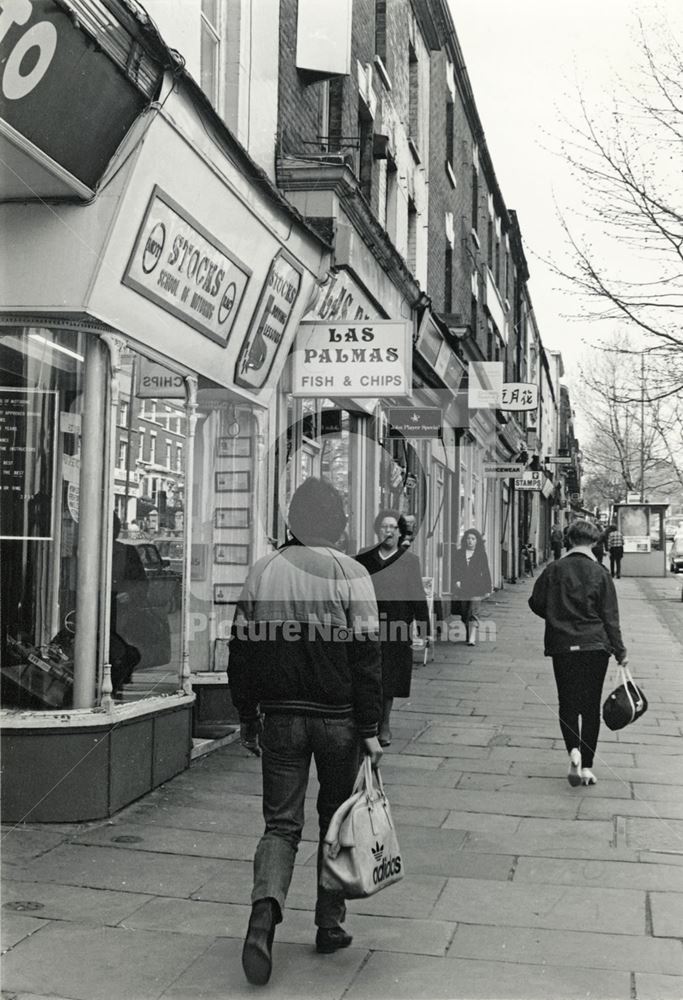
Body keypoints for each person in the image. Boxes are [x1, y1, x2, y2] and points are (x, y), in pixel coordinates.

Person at [227, 478, 382, 986]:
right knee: (335, 820)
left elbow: (242, 650)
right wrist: (371, 726)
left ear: (292, 520)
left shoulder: (264, 570)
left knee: (280, 826)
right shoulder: (351, 572)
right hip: (337, 720)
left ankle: (263, 917)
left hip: (280, 718)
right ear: (337, 524)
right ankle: (329, 923)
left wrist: (247, 714)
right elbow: (366, 657)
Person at [528, 519, 628, 787]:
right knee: (590, 707)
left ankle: (572, 749)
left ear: (569, 540)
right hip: (595, 646)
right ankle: (587, 766)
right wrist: (620, 651)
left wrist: (556, 616)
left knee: (568, 703)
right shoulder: (600, 573)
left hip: (563, 646)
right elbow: (610, 617)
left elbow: (535, 603)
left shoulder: (554, 569)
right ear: (594, 542)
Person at [355, 510, 430, 747]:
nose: (388, 531)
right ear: (378, 531)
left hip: (397, 625)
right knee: (368, 672)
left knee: (389, 675)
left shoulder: (409, 561)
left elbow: (417, 595)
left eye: (392, 527)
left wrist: (424, 627)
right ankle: (367, 719)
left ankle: (384, 723)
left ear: (399, 533)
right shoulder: (364, 557)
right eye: (384, 527)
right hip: (367, 622)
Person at [451, 528, 492, 646]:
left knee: (474, 611)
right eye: (468, 538)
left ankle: (472, 637)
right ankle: (469, 632)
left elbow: (486, 571)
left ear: (477, 541)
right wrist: (456, 581)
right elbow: (454, 569)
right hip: (463, 587)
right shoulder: (459, 553)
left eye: (473, 539)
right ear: (465, 540)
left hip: (477, 587)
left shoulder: (481, 554)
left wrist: (488, 588)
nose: (470, 541)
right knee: (464, 613)